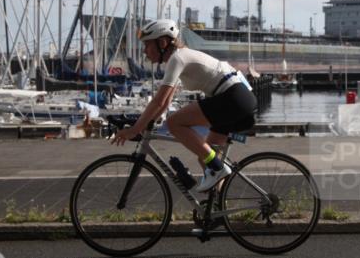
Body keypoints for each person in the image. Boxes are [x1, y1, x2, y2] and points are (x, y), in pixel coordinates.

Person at [111, 18, 258, 192]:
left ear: (162, 42)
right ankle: (218, 203)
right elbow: (165, 102)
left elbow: (159, 101)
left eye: (147, 45)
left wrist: (135, 129)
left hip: (233, 97)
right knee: (205, 157)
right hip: (237, 98)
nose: (144, 51)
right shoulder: (179, 58)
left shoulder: (178, 58)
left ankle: (217, 168)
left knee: (174, 123)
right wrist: (147, 124)